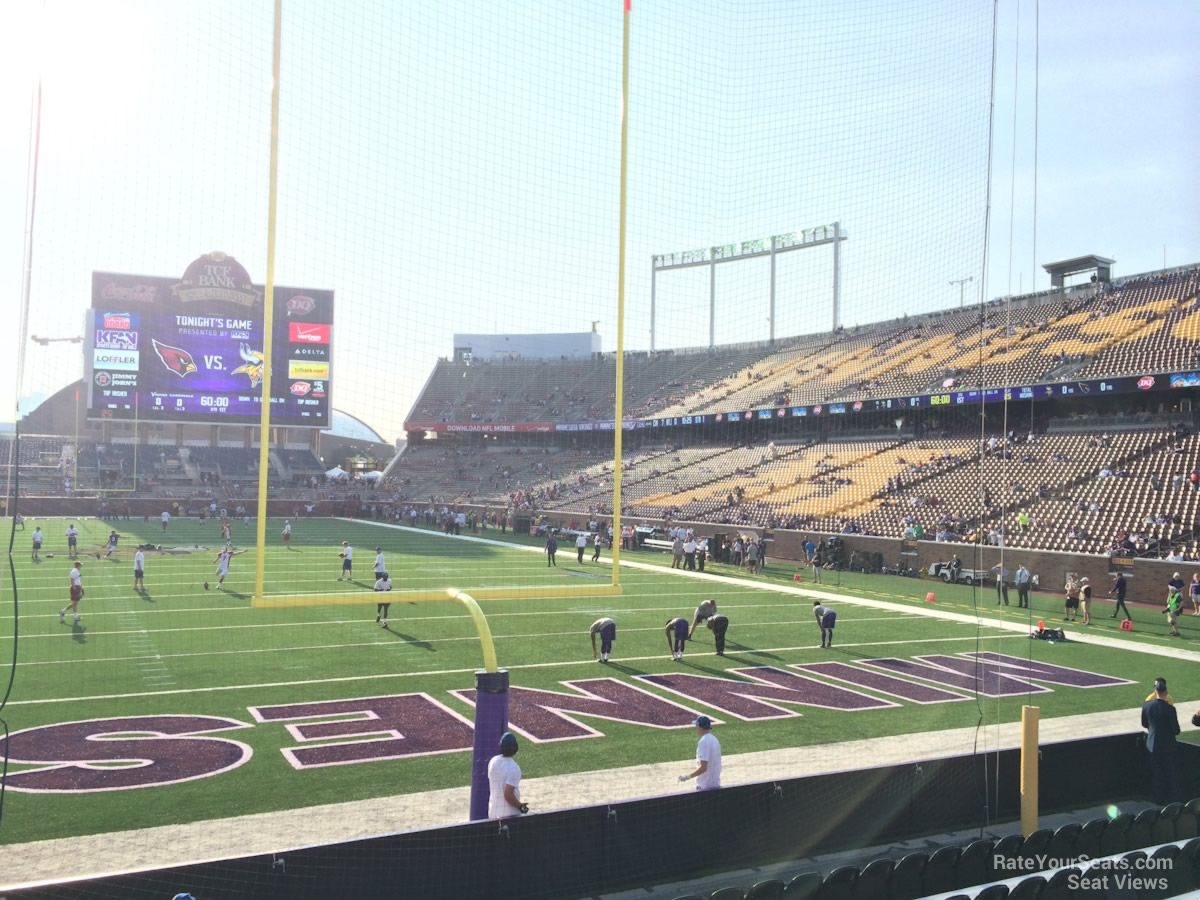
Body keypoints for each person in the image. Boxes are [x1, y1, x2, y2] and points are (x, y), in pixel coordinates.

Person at [1141, 677, 1181, 804]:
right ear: (1166, 692)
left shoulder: (1147, 706)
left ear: (1155, 691)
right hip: (1168, 746)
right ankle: (1171, 800)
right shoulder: (1170, 709)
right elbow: (1176, 730)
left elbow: (1144, 723)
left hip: (1152, 745)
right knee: (1170, 773)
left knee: (1156, 773)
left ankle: (1157, 799)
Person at [487, 732, 528, 819]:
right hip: (509, 815)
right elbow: (508, 795)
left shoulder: (493, 761)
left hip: (493, 813)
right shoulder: (514, 768)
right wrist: (520, 806)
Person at [677, 716, 721, 790]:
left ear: (699, 726)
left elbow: (703, 767)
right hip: (715, 784)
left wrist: (688, 777)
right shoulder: (715, 739)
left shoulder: (703, 741)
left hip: (705, 786)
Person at [60, 561, 84, 625]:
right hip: (75, 588)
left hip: (77, 587)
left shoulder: (77, 571)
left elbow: (78, 580)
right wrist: (75, 589)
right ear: (78, 566)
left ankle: (63, 611)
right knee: (75, 603)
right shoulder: (74, 571)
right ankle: (73, 616)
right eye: (80, 565)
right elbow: (72, 580)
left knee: (75, 603)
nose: (81, 566)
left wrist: (81, 589)